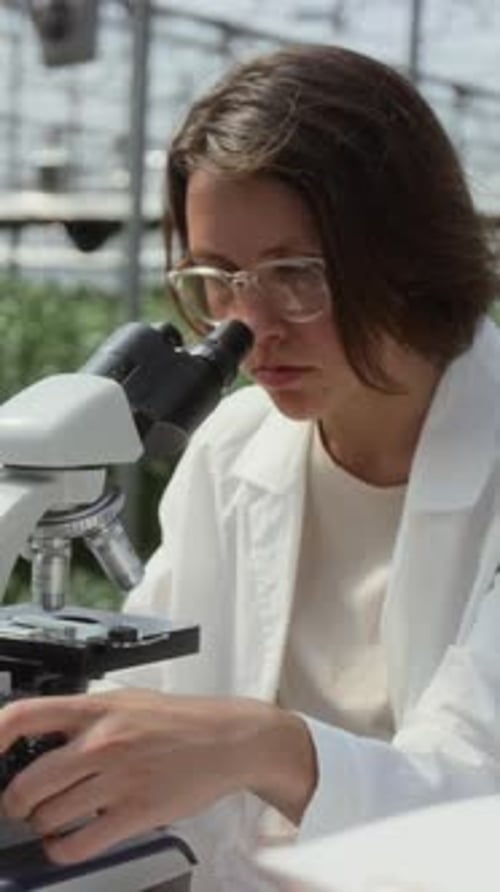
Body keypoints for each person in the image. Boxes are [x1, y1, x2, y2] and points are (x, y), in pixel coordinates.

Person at [0, 43, 499, 892]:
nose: (249, 327)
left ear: (410, 253)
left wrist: (259, 743)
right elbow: (146, 710)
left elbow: (475, 805)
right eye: (218, 278)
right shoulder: (233, 447)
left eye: (296, 274)